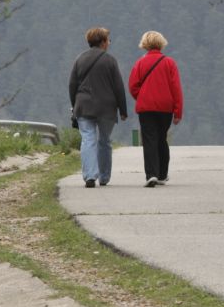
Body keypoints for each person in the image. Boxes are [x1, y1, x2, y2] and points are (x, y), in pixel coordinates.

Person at [68, 27, 128, 188]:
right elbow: (118, 87)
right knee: (104, 141)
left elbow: (72, 85)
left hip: (84, 105)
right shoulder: (110, 60)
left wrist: (74, 105)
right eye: (108, 40)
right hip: (106, 107)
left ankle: (89, 176)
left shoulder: (79, 59)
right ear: (102, 42)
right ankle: (104, 177)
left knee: (88, 139)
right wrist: (123, 110)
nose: (109, 43)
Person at [128, 30, 183, 187]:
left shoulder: (140, 63)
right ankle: (162, 174)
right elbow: (176, 89)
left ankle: (151, 174)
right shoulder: (169, 63)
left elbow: (132, 86)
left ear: (144, 44)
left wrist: (142, 95)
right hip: (166, 108)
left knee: (149, 139)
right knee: (161, 138)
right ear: (161, 43)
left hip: (146, 108)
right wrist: (178, 112)